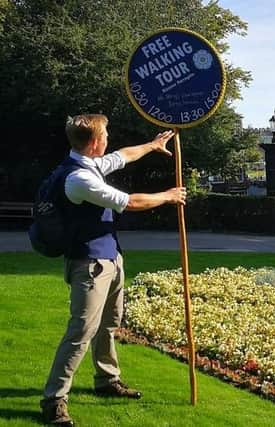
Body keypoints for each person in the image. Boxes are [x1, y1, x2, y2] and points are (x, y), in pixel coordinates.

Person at [40, 114, 187, 426]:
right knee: (81, 332)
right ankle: (54, 400)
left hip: (109, 257)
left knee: (109, 323)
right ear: (95, 142)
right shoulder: (78, 179)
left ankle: (107, 380)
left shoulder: (89, 163)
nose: (108, 139)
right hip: (89, 265)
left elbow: (122, 157)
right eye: (105, 134)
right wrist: (169, 196)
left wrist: (152, 145)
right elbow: (129, 202)